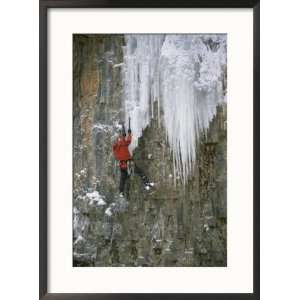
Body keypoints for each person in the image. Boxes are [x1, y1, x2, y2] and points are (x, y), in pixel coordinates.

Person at [112, 127, 153, 197]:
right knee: (139, 172)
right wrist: (129, 134)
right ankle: (147, 183)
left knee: (123, 178)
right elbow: (128, 141)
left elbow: (125, 142)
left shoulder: (116, 149)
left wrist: (127, 135)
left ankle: (121, 191)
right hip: (128, 163)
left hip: (122, 165)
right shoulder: (121, 144)